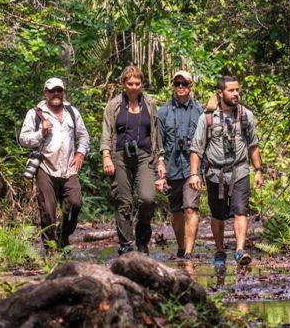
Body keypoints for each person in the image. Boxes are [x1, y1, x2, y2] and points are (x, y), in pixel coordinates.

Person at [189, 75, 263, 267]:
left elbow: (253, 145)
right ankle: (220, 250)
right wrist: (194, 174)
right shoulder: (207, 118)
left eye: (237, 89)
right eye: (231, 90)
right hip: (215, 174)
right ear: (220, 93)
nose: (236, 93)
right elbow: (196, 149)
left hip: (240, 170)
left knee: (241, 210)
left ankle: (240, 251)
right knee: (218, 214)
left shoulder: (246, 115)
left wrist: (259, 170)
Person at [100, 65, 166, 255]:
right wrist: (106, 156)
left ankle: (142, 238)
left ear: (142, 84)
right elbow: (106, 132)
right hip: (119, 155)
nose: (134, 87)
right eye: (130, 83)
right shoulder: (114, 105)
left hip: (145, 155)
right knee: (124, 202)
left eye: (137, 83)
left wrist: (160, 159)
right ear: (123, 84)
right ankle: (126, 245)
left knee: (148, 198)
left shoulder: (150, 103)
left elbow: (156, 133)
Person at [18, 78, 90, 251]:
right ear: (46, 93)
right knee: (47, 211)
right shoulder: (35, 113)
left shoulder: (72, 112)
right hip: (45, 168)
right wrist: (40, 132)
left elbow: (84, 136)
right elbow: (23, 139)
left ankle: (63, 236)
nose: (56, 94)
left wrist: (81, 153)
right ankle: (50, 249)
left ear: (63, 92)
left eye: (59, 90)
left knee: (75, 203)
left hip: (69, 168)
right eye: (52, 91)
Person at [157, 70, 203, 259]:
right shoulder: (163, 112)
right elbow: (158, 142)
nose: (181, 87)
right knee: (176, 211)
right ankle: (181, 246)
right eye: (177, 84)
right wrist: (159, 169)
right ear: (173, 86)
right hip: (172, 166)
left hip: (193, 168)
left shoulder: (200, 111)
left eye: (184, 84)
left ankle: (190, 251)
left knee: (190, 208)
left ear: (191, 86)